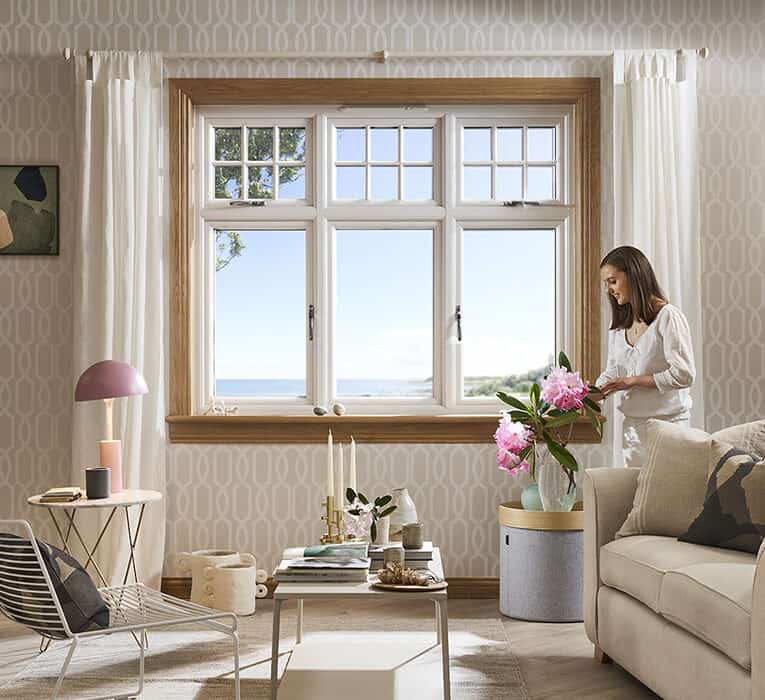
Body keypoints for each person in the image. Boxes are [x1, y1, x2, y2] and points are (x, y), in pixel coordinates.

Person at [594, 246, 695, 467]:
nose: (609, 289)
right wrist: (588, 395)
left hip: (669, 429)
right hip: (632, 433)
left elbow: (684, 374)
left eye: (612, 281)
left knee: (668, 499)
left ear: (633, 274)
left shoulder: (668, 317)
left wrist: (632, 381)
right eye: (606, 284)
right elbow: (614, 371)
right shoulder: (621, 326)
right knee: (637, 498)